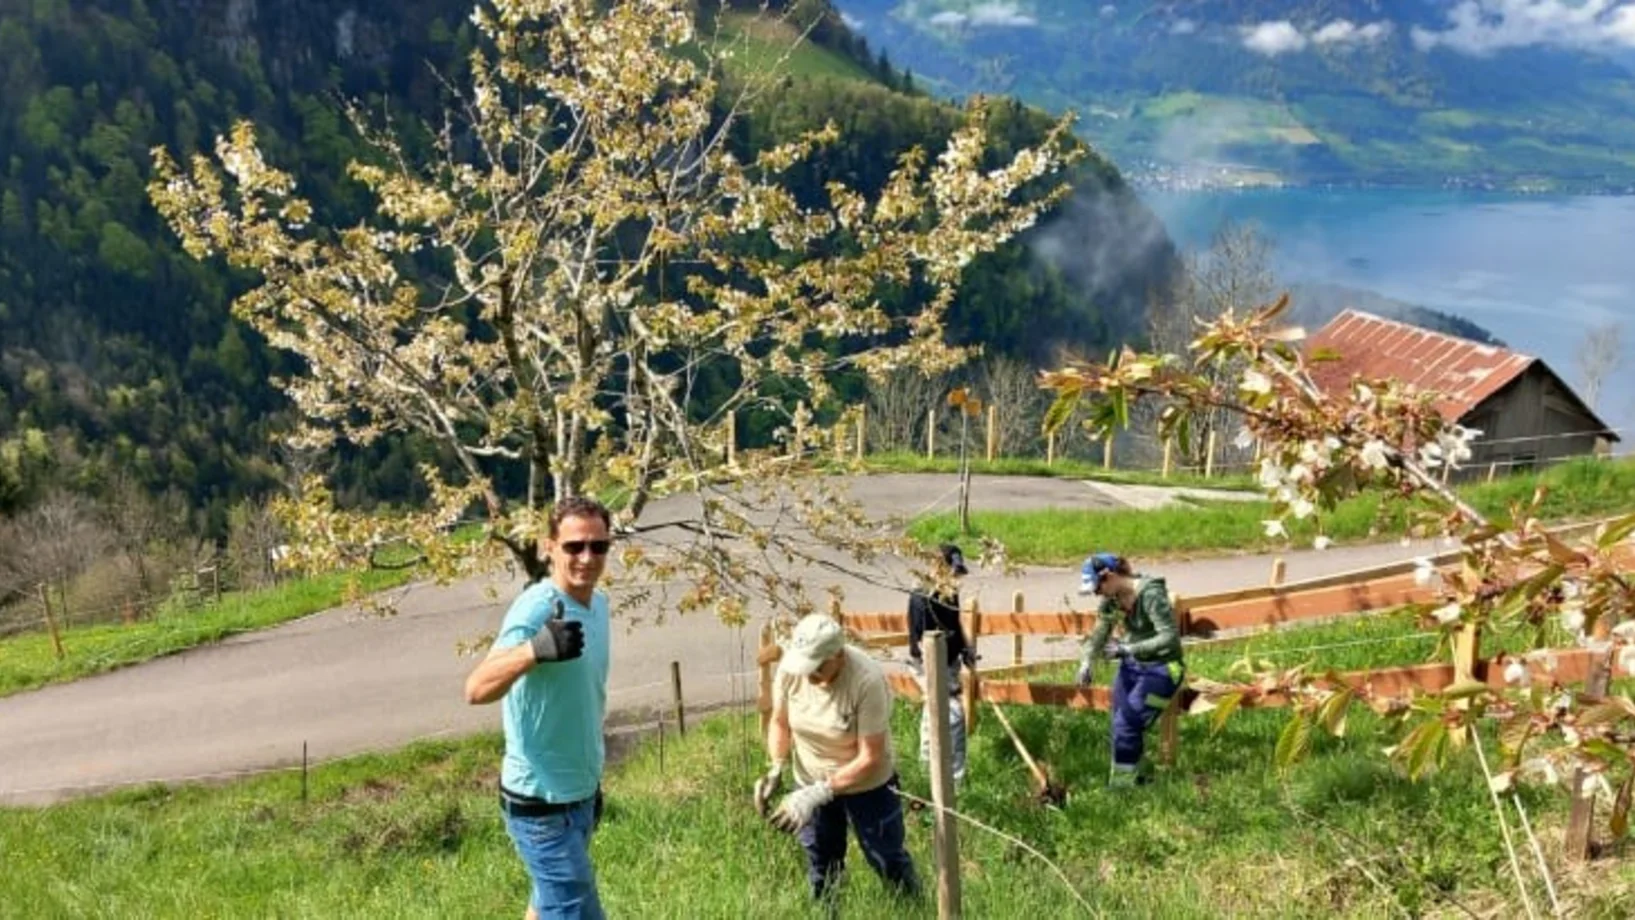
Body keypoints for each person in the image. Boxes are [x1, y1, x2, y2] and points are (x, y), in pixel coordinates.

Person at [464, 497, 615, 920]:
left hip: (581, 794)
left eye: (598, 546)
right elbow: (476, 689)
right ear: (550, 547)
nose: (587, 557)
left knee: (548, 904)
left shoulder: (599, 605)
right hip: (540, 803)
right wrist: (535, 649)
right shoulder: (537, 608)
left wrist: (590, 782)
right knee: (575, 911)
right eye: (574, 546)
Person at [753, 613, 920, 903]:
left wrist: (820, 792)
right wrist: (776, 766)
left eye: (817, 667)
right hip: (809, 777)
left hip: (867, 785)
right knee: (821, 859)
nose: (809, 674)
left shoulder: (867, 680)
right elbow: (780, 722)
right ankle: (826, 909)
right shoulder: (792, 670)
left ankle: (912, 906)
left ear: (838, 655)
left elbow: (870, 756)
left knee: (886, 857)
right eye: (806, 666)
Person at [1075, 552, 1184, 788]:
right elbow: (1099, 634)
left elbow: (1169, 638)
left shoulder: (1150, 594)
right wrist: (1087, 662)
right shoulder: (1112, 600)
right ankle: (1137, 778)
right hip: (1133, 666)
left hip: (1164, 668)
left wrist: (1127, 649)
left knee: (1127, 723)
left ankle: (1121, 788)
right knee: (1119, 724)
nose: (1097, 593)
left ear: (1109, 575)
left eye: (1097, 587)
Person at [906, 543, 975, 785]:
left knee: (933, 713)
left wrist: (966, 649)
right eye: (952, 571)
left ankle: (928, 773)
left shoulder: (950, 592)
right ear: (937, 567)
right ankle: (954, 781)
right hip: (929, 663)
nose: (956, 577)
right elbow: (924, 642)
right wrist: (940, 683)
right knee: (952, 715)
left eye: (958, 572)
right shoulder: (922, 596)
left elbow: (955, 623)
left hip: (948, 660)